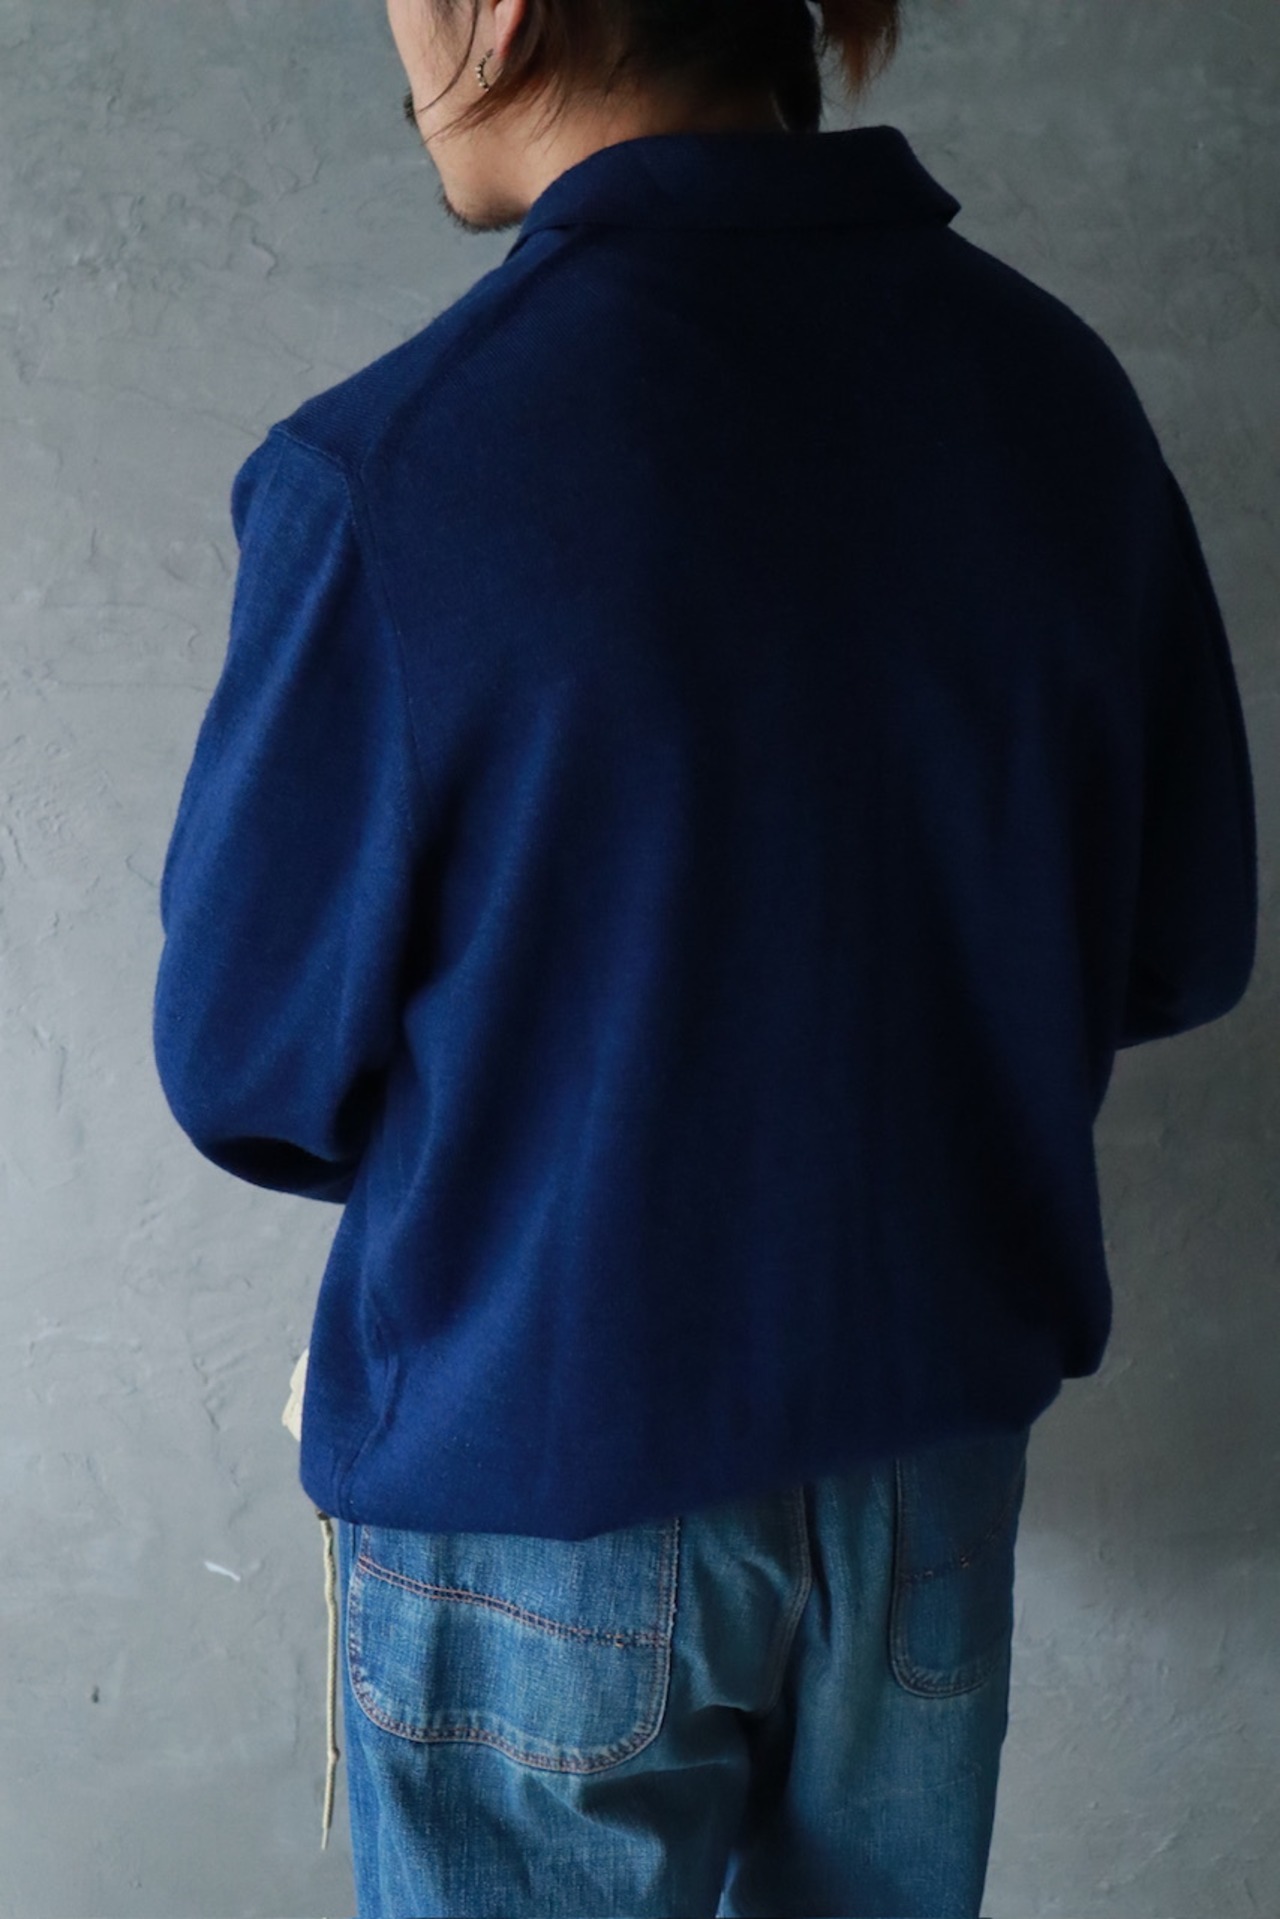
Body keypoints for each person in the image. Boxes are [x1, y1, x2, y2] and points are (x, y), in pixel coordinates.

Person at [150, 0, 1258, 1913]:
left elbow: (246, 1065)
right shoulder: (1058, 402)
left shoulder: (397, 473)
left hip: (539, 1478)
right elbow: (1179, 944)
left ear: (503, 7)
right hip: (926, 1468)